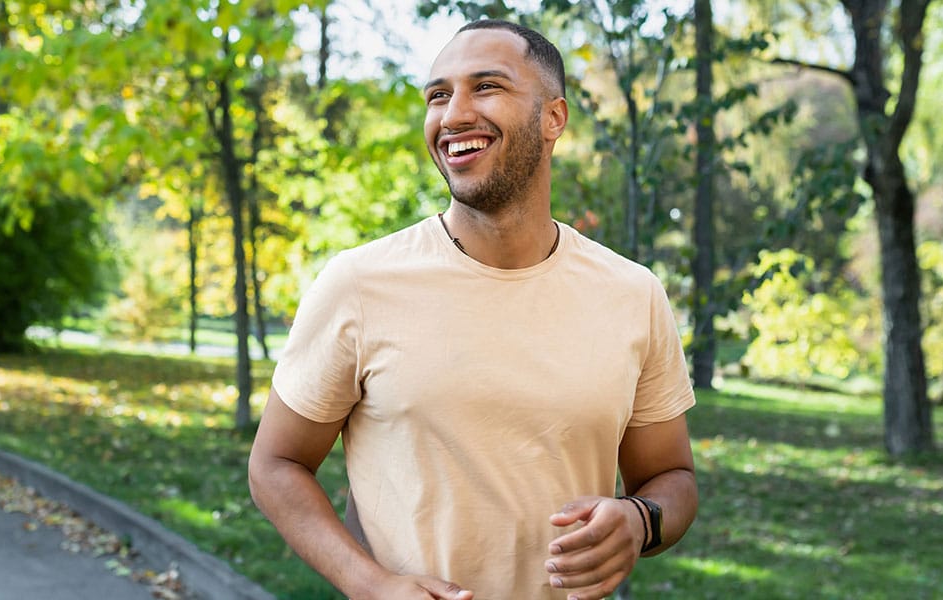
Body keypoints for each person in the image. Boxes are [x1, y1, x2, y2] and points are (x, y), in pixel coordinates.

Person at [247, 18, 698, 600]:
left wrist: (641, 520)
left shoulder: (633, 293)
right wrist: (373, 585)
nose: (453, 115)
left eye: (486, 87)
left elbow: (671, 477)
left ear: (553, 117)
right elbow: (275, 465)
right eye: (438, 95)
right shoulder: (358, 283)